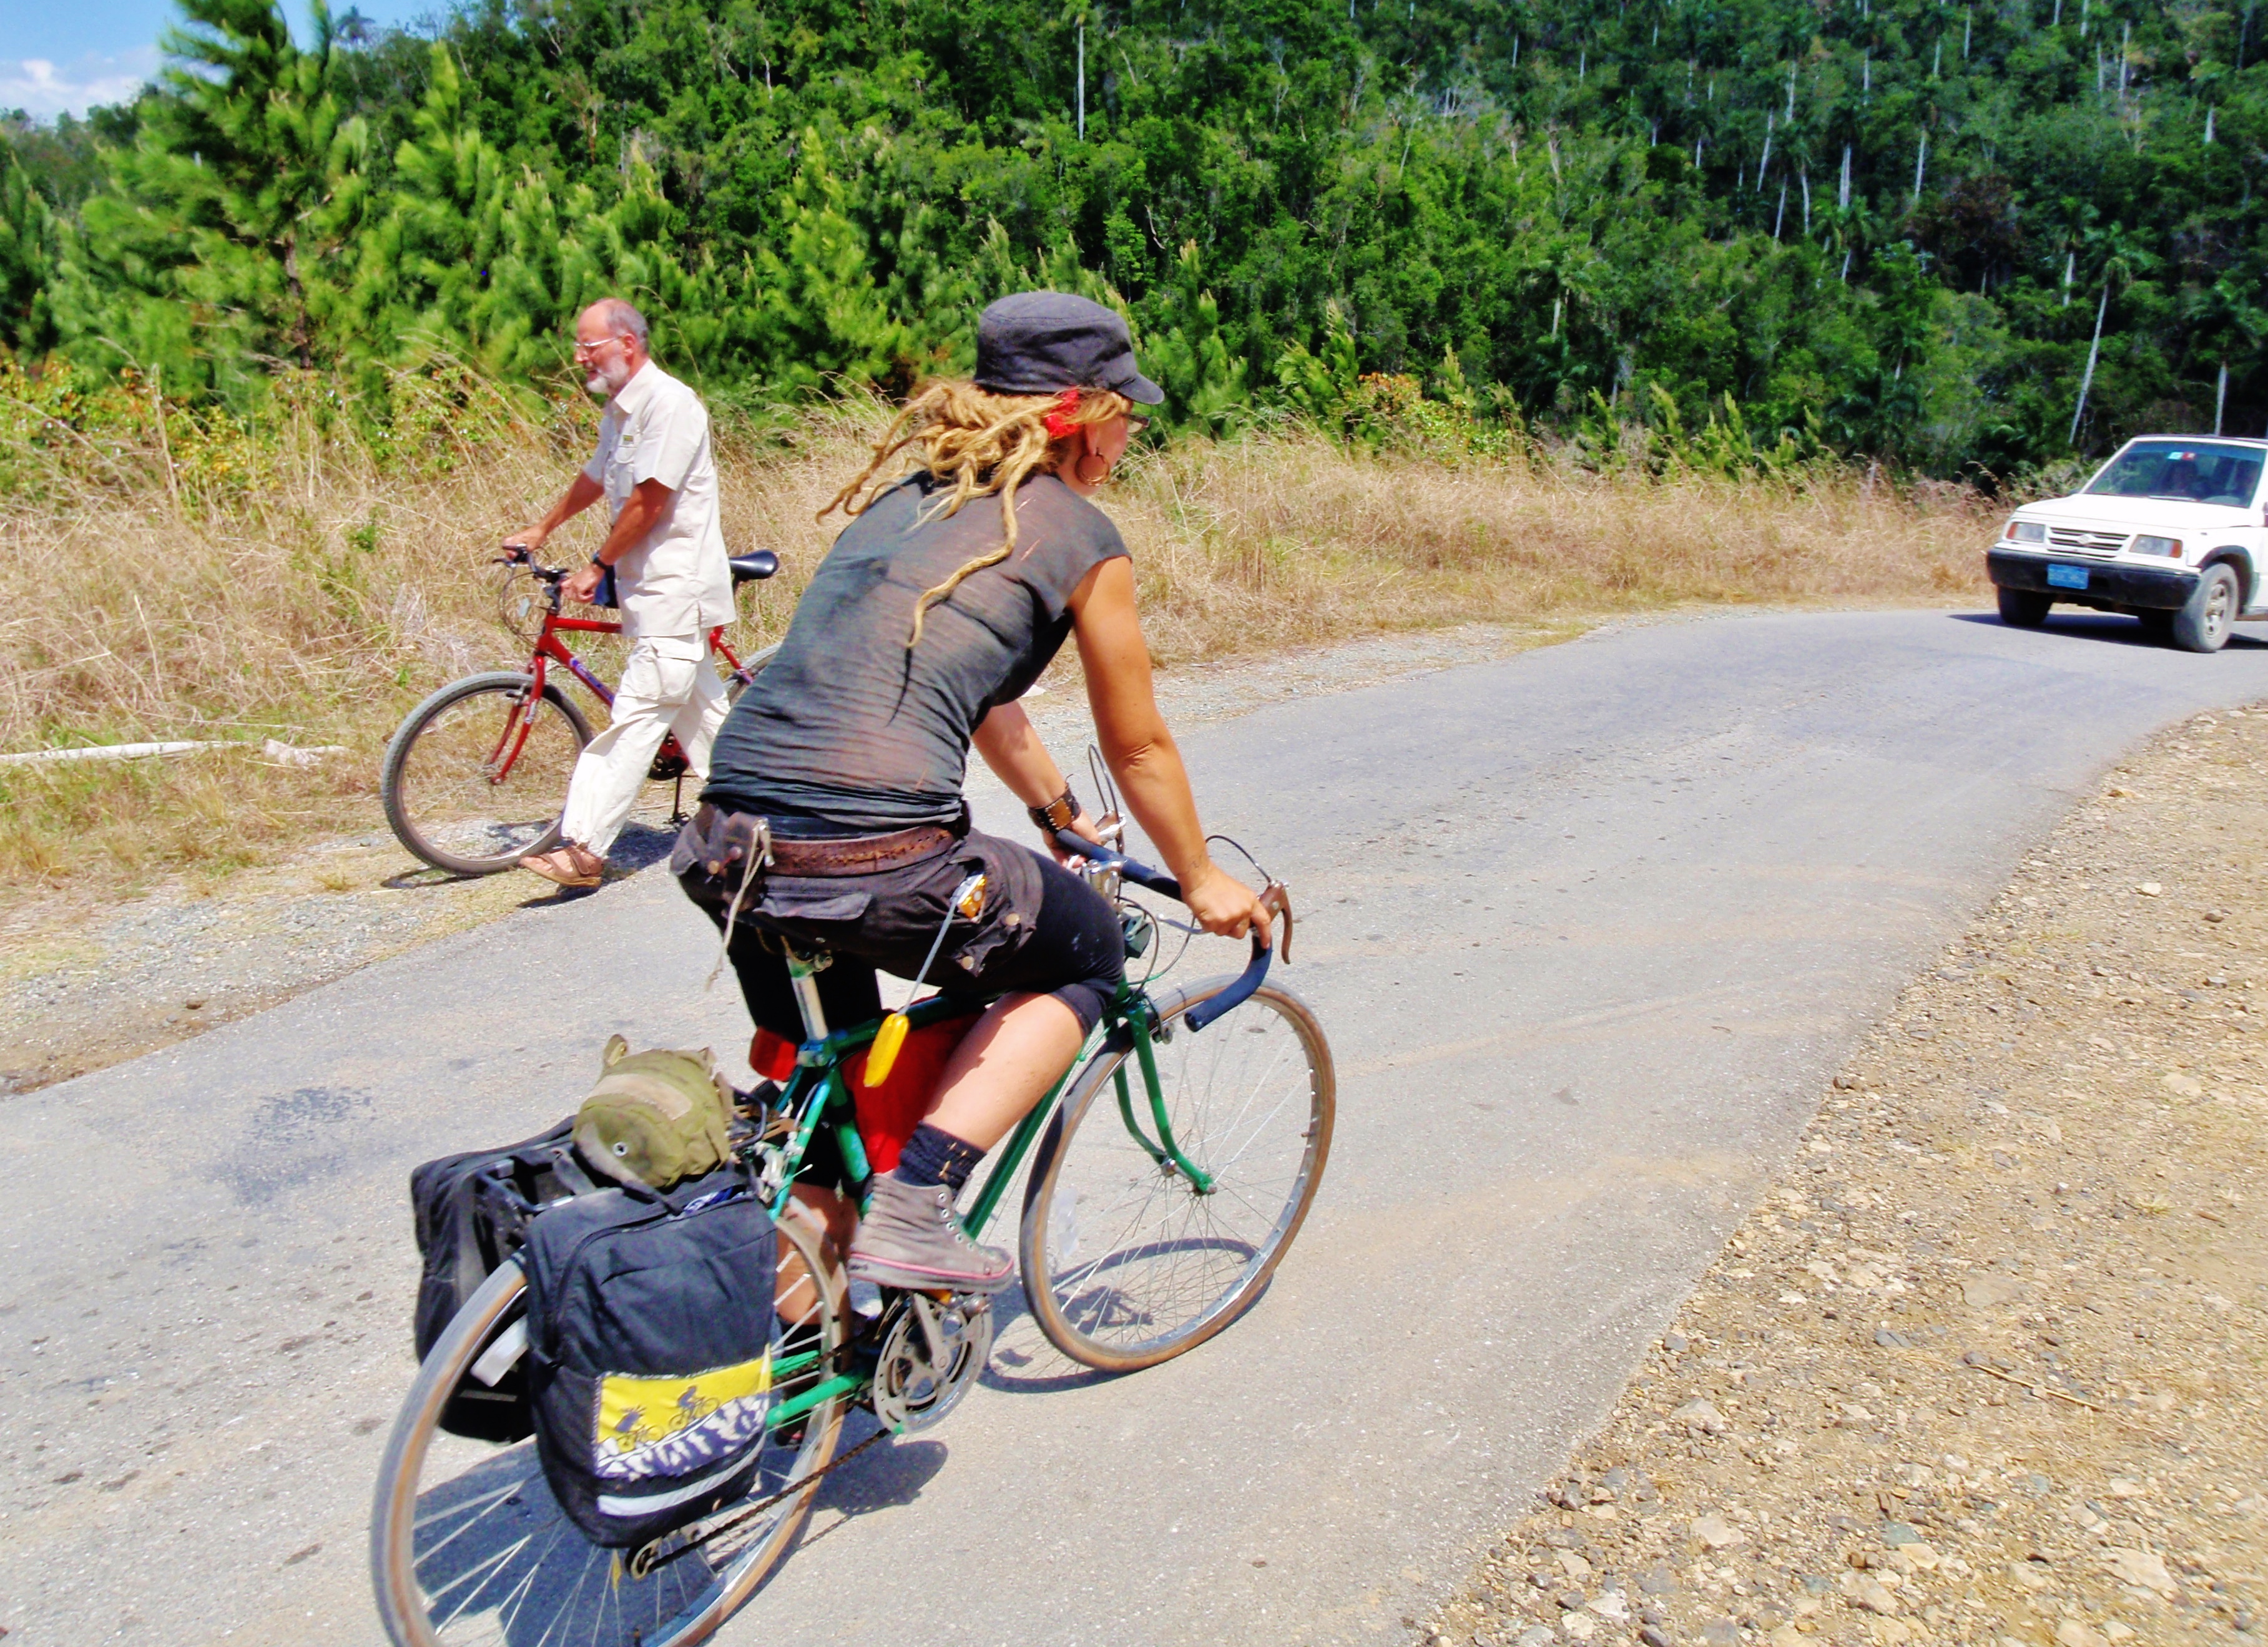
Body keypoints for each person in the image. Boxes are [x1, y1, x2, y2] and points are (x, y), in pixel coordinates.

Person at [674, 290, 1270, 1292]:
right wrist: (1201, 876)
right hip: (873, 853)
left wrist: (1058, 819)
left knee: (828, 1129)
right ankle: (917, 1207)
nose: (1132, 432)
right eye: (1127, 411)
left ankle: (816, 1344)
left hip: (729, 846)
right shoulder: (1079, 535)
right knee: (1087, 955)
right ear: (1085, 415)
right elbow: (1138, 745)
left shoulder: (908, 503)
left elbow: (989, 703)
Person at [507, 298, 735, 889]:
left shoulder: (669, 404)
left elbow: (649, 501)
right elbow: (595, 476)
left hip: (674, 589)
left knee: (636, 719)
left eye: (590, 346)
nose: (580, 356)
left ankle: (584, 849)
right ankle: (772, 817)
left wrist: (596, 565)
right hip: (651, 592)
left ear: (627, 344)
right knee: (709, 724)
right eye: (578, 346)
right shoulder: (622, 409)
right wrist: (542, 527)